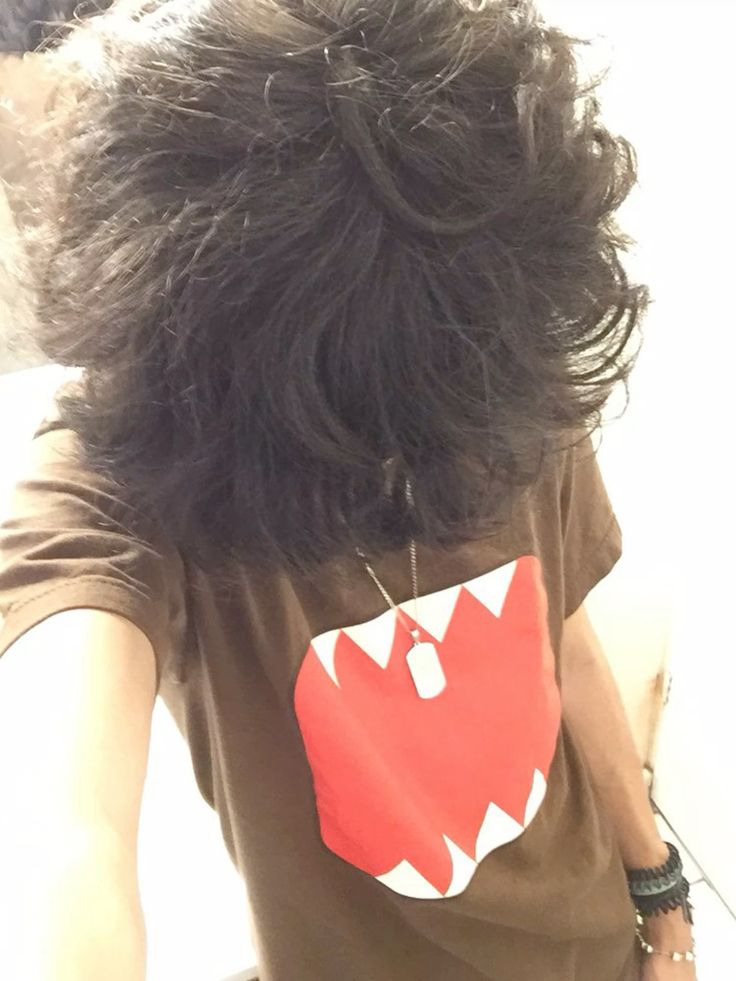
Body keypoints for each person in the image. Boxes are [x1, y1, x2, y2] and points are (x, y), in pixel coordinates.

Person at [0, 2, 697, 979]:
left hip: (593, 945)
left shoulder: (496, 368)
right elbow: (66, 844)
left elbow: (565, 641)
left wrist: (655, 883)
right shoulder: (133, 473)